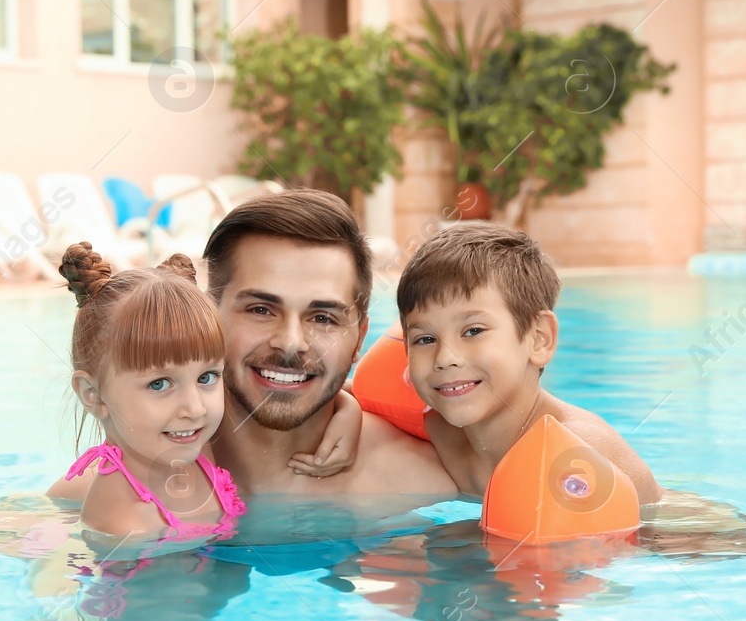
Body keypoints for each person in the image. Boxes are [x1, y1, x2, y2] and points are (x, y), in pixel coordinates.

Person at [200, 189, 458, 500]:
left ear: (360, 339)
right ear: (206, 317)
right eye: (261, 310)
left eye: (323, 318)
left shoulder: (421, 484)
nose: (291, 343)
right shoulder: (140, 468)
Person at [396, 222, 664, 502]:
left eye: (473, 331)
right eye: (425, 339)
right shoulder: (438, 429)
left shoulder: (573, 450)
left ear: (539, 339)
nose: (446, 358)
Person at [52, 244, 249, 542]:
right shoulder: (123, 523)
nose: (195, 409)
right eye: (159, 384)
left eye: (207, 377)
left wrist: (345, 409)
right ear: (93, 394)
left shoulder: (197, 446)